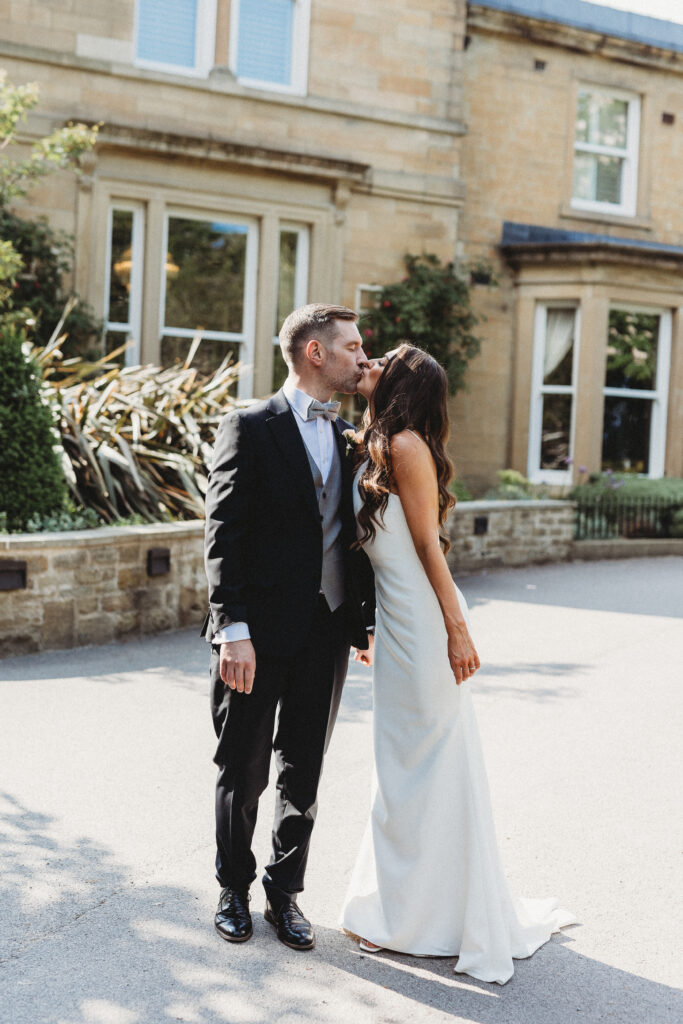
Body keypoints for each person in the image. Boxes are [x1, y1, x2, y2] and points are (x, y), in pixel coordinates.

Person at [341, 344, 575, 984]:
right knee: (401, 769)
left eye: (382, 358)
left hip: (424, 621)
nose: (372, 358)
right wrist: (366, 626)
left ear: (403, 384)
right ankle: (401, 908)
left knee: (429, 767)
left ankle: (436, 917)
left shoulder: (408, 446)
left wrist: (457, 628)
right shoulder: (371, 439)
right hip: (394, 622)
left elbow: (424, 545)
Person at [203, 304, 375, 951]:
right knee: (241, 767)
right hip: (257, 632)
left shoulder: (351, 437)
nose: (362, 357)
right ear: (314, 353)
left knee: (304, 769)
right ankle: (232, 889)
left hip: (326, 630)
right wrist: (232, 627)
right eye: (353, 347)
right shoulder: (249, 426)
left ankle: (285, 894)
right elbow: (222, 533)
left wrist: (366, 623)